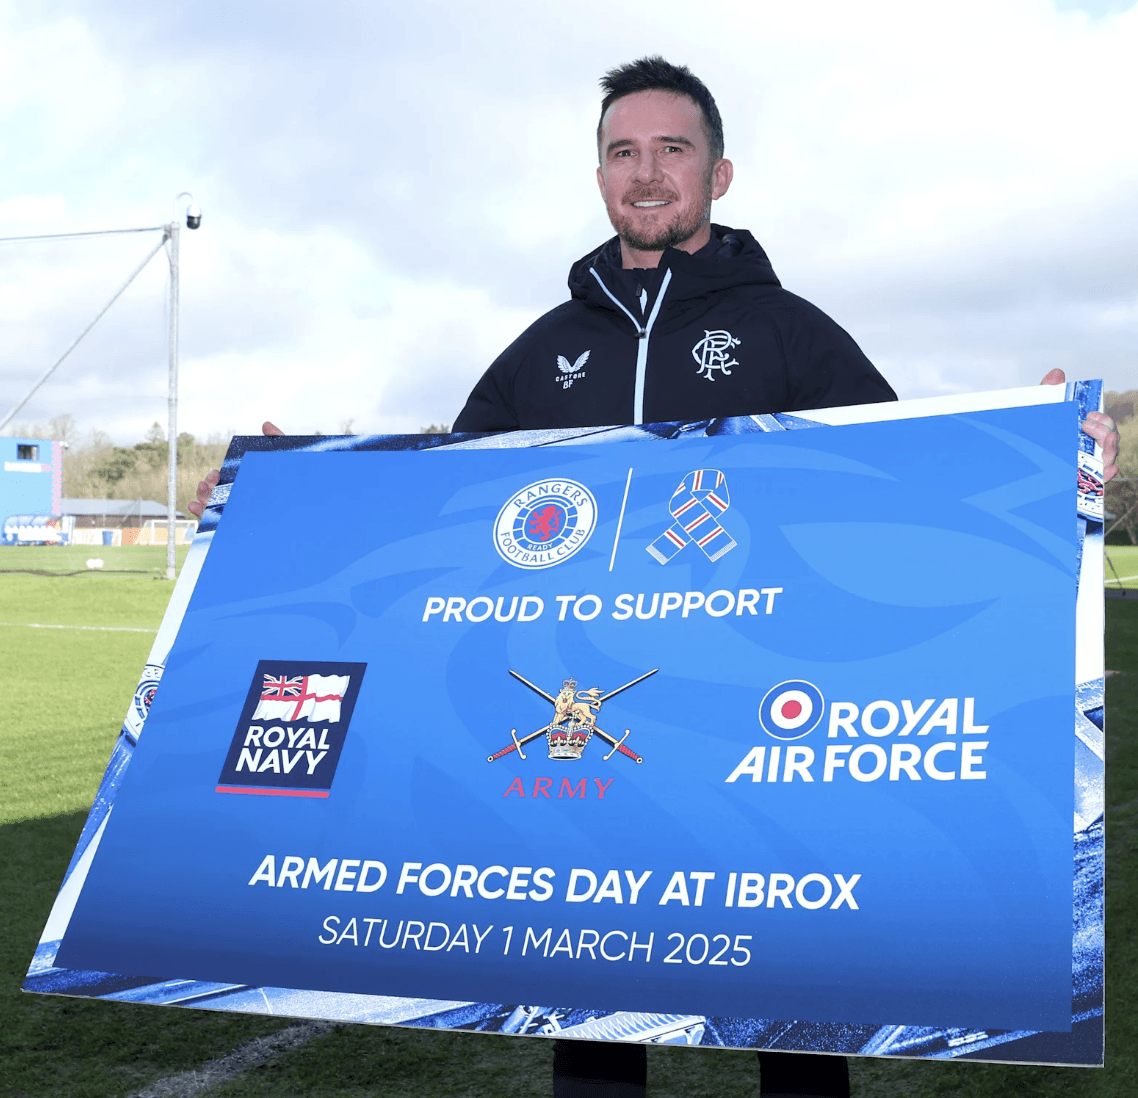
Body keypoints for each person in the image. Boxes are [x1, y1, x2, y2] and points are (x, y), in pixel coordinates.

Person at [188, 56, 1119, 1098]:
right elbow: (441, 521)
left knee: (796, 1023)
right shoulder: (538, 353)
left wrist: (1039, 459)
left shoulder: (790, 332)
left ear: (718, 176)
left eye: (671, 149)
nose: (645, 171)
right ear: (598, 176)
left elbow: (895, 501)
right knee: (591, 1020)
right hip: (588, 744)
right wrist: (281, 507)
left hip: (747, 728)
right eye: (622, 151)